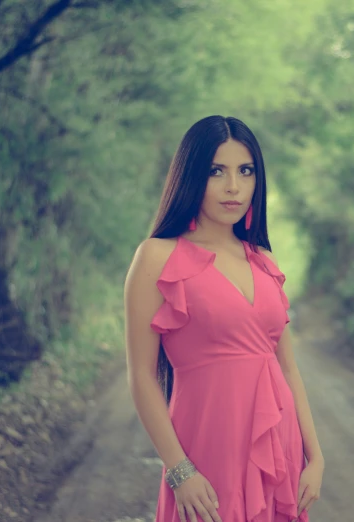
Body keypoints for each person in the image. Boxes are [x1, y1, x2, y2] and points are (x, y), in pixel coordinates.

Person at [124, 115, 324, 522]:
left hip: (278, 451)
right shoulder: (157, 256)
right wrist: (179, 472)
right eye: (217, 171)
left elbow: (287, 366)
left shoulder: (263, 260)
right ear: (191, 175)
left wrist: (315, 455)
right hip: (206, 453)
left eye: (245, 171)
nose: (233, 186)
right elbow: (142, 376)